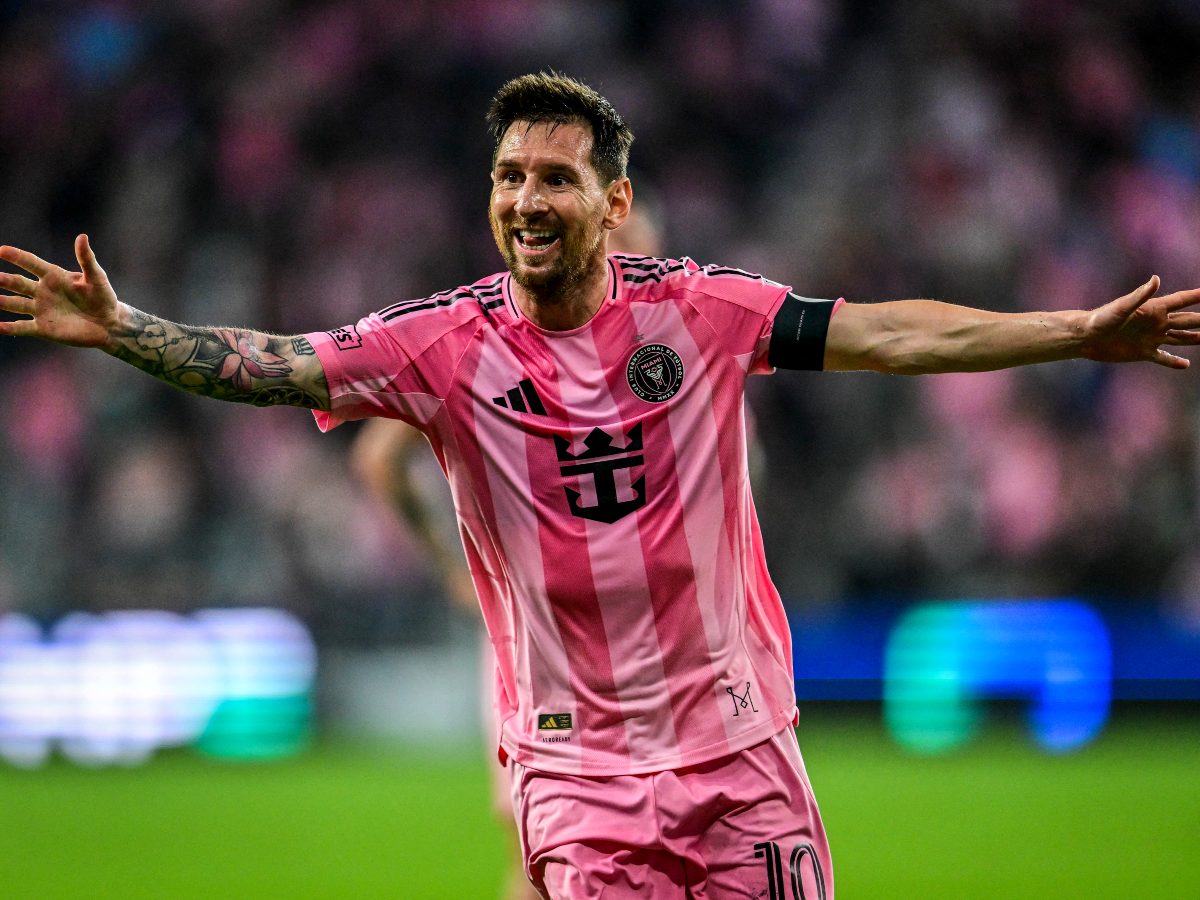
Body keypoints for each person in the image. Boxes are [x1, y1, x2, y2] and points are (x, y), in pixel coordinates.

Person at [3, 72, 1200, 898]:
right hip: (577, 780)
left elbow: (892, 335)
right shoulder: (440, 344)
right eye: (510, 175)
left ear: (613, 204)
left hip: (742, 760)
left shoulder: (700, 311)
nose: (527, 199)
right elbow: (274, 368)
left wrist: (1074, 330)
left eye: (558, 178)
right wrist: (125, 332)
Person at [349, 201, 666, 900]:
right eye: (629, 255)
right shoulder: (494, 346)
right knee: (541, 843)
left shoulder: (666, 357)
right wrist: (452, 566)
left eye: (647, 256)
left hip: (663, 642)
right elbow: (379, 456)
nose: (641, 273)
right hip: (544, 634)